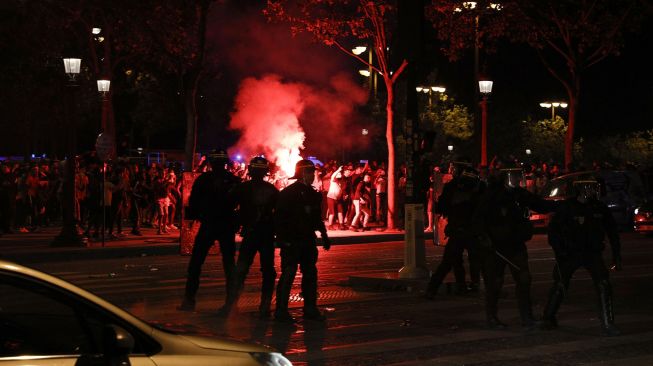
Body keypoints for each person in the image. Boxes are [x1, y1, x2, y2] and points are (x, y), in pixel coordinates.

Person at [473, 166, 558, 330]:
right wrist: (484, 238)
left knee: (524, 279)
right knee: (495, 282)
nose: (519, 179)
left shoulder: (519, 194)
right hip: (496, 246)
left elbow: (540, 204)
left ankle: (527, 317)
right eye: (516, 176)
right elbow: (478, 219)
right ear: (506, 177)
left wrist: (565, 205)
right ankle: (492, 317)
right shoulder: (492, 196)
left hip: (516, 244)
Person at [541, 179, 622, 336]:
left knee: (604, 284)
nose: (592, 191)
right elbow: (554, 231)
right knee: (560, 284)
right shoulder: (567, 207)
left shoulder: (598, 207)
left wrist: (616, 254)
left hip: (592, 253)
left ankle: (608, 322)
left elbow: (612, 231)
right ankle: (548, 317)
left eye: (594, 187)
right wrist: (559, 251)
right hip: (571, 253)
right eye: (589, 187)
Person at [178, 149, 240, 313]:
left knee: (196, 264)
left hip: (209, 225)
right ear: (226, 162)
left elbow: (193, 203)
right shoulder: (234, 180)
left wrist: (200, 215)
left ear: (211, 163)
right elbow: (240, 205)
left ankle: (189, 301)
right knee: (229, 265)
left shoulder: (203, 180)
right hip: (226, 226)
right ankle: (231, 303)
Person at [274, 159, 332, 323]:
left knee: (310, 274)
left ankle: (310, 308)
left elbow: (316, 218)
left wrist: (324, 235)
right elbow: (279, 219)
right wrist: (283, 240)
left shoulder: (313, 194)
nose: (313, 175)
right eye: (310, 172)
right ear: (302, 174)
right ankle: (281, 311)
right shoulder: (288, 193)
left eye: (313, 172)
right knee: (289, 274)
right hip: (292, 241)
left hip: (307, 241)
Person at [226, 157, 279, 318]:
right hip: (266, 235)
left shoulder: (242, 188)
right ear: (265, 172)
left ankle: (231, 305)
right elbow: (279, 214)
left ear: (251, 170)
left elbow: (230, 208)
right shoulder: (272, 190)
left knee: (241, 269)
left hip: (251, 233)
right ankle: (264, 306)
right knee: (268, 271)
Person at [425, 163, 484, 299]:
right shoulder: (479, 186)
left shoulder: (452, 186)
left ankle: (434, 288)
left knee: (450, 261)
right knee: (474, 260)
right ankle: (472, 286)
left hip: (458, 228)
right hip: (471, 229)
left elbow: (441, 207)